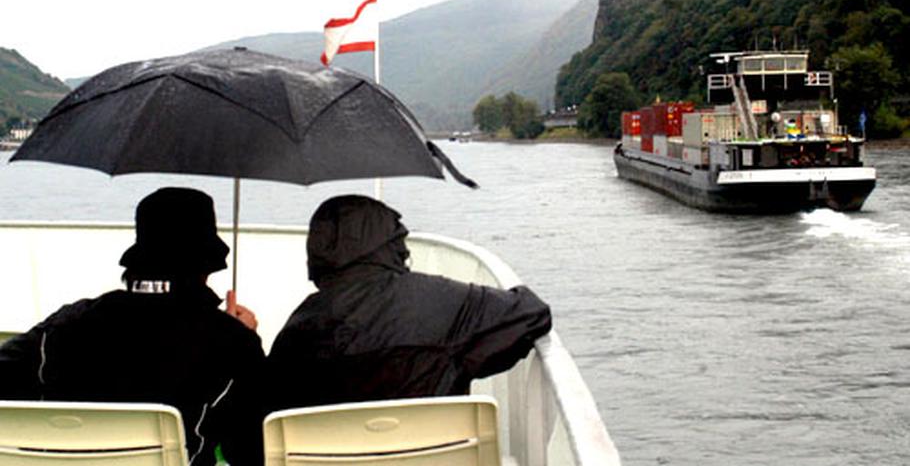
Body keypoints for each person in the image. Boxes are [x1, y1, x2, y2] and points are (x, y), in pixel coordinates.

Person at [0, 187, 265, 466]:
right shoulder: (231, 342)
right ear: (207, 264)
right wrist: (245, 343)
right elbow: (249, 452)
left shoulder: (64, 325)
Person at [268, 194, 552, 409]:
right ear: (393, 245)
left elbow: (247, 442)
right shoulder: (444, 302)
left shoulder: (297, 331)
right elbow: (531, 314)